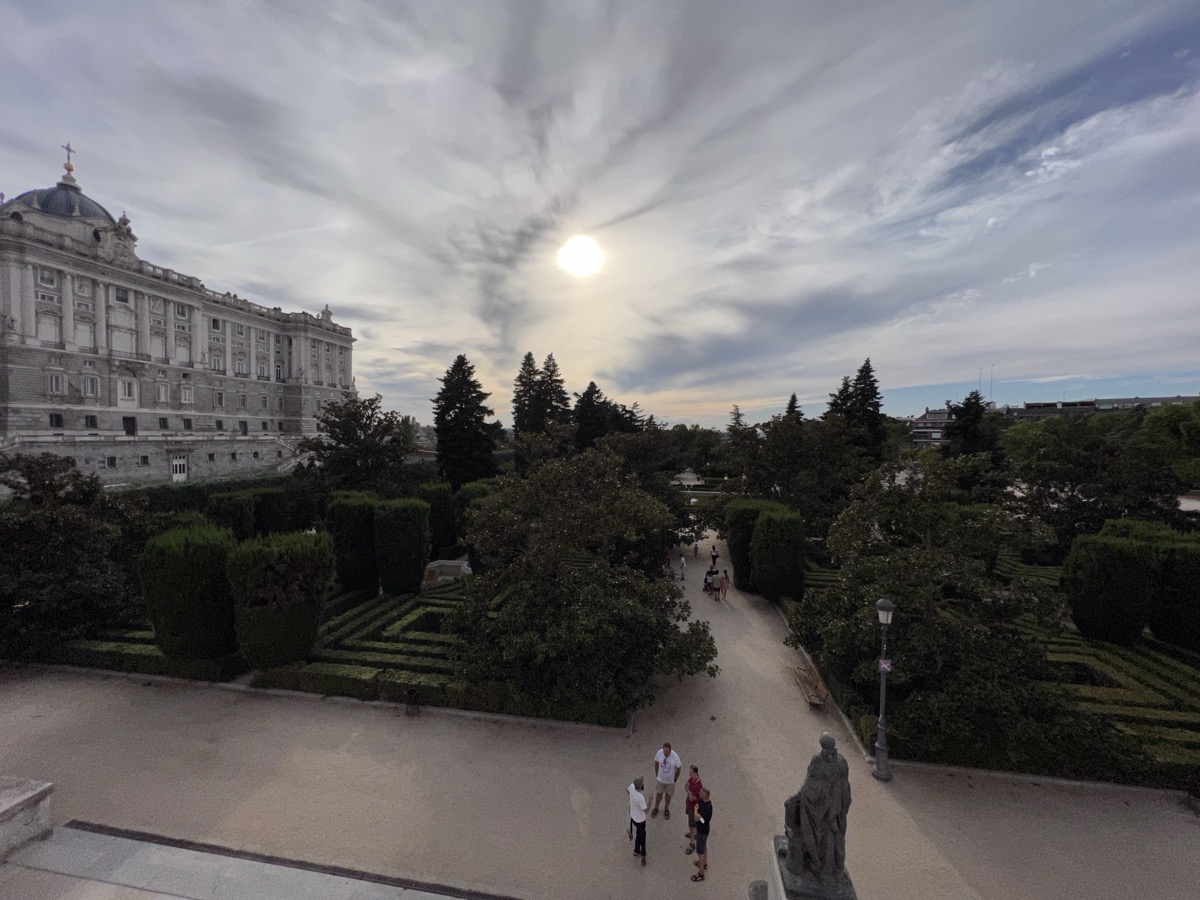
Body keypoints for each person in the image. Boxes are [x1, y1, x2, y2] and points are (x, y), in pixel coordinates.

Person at [784, 732, 851, 886]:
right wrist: (840, 809)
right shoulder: (842, 762)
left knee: (817, 839)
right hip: (835, 814)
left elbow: (810, 789)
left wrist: (796, 799)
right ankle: (832, 870)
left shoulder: (818, 762)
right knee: (833, 843)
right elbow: (845, 792)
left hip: (820, 813)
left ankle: (818, 867)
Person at [650, 741, 682, 819]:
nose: (665, 753)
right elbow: (656, 762)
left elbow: (679, 768)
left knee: (668, 795)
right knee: (658, 794)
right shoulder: (659, 753)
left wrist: (675, 779)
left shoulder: (675, 756)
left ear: (670, 750)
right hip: (661, 779)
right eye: (664, 751)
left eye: (667, 752)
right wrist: (657, 774)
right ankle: (656, 807)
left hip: (670, 781)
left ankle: (666, 809)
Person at [691, 787, 713, 882]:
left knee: (700, 851)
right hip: (703, 829)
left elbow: (697, 818)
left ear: (705, 795)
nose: (699, 793)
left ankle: (701, 873)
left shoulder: (707, 807)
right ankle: (704, 863)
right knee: (704, 847)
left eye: (701, 792)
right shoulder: (702, 801)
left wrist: (696, 810)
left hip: (702, 831)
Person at [683, 765, 704, 853]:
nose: (689, 774)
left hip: (694, 808)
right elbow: (685, 786)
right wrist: (689, 792)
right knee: (692, 823)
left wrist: (690, 793)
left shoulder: (698, 785)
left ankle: (692, 843)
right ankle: (693, 833)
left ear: (695, 773)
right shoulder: (692, 779)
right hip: (689, 805)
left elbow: (693, 798)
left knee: (692, 824)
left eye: (691, 773)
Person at [628, 776, 648, 864]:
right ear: (640, 786)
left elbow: (627, 790)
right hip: (640, 820)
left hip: (632, 817)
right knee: (642, 836)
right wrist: (650, 801)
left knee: (638, 834)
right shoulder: (640, 797)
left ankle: (636, 850)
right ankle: (643, 853)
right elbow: (646, 810)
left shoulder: (631, 788)